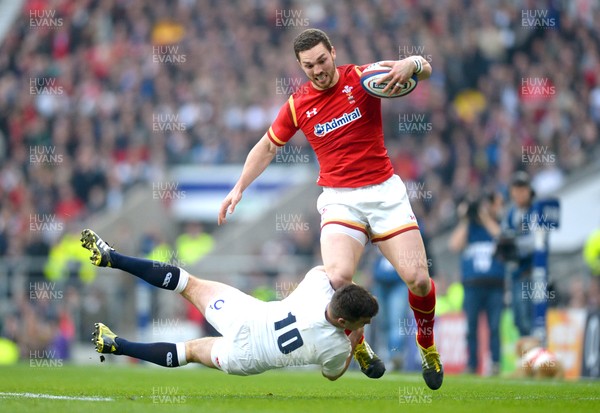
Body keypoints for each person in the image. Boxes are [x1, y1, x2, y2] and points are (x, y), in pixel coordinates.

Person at [218, 28, 442, 389]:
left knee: (417, 279)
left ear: (333, 53)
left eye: (322, 61)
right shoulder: (297, 104)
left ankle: (427, 345)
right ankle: (359, 343)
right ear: (300, 66)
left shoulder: (363, 78)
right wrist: (238, 188)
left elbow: (424, 69)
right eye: (309, 66)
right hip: (340, 199)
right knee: (337, 279)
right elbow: (267, 147)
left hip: (385, 194)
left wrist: (411, 63)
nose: (318, 70)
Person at [81, 229, 376, 380]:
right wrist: (356, 342)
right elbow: (332, 374)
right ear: (344, 323)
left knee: (188, 284)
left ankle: (114, 258)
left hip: (247, 315)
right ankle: (115, 345)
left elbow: (336, 274)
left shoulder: (317, 283)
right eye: (363, 321)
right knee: (191, 352)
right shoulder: (338, 348)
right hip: (247, 357)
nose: (363, 326)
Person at [449, 191, 505, 375]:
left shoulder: (495, 225)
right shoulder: (468, 229)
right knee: (471, 326)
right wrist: (466, 219)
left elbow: (502, 237)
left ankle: (495, 363)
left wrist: (485, 217)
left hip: (495, 285)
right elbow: (453, 245)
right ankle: (472, 364)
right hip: (472, 285)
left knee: (495, 326)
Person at [499, 171, 542, 337]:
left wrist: (513, 243)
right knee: (518, 318)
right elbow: (503, 235)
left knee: (529, 318)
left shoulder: (536, 211)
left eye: (522, 188)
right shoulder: (510, 214)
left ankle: (535, 357)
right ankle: (529, 356)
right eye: (516, 189)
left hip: (531, 272)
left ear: (529, 190)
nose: (519, 193)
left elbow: (535, 242)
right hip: (515, 274)